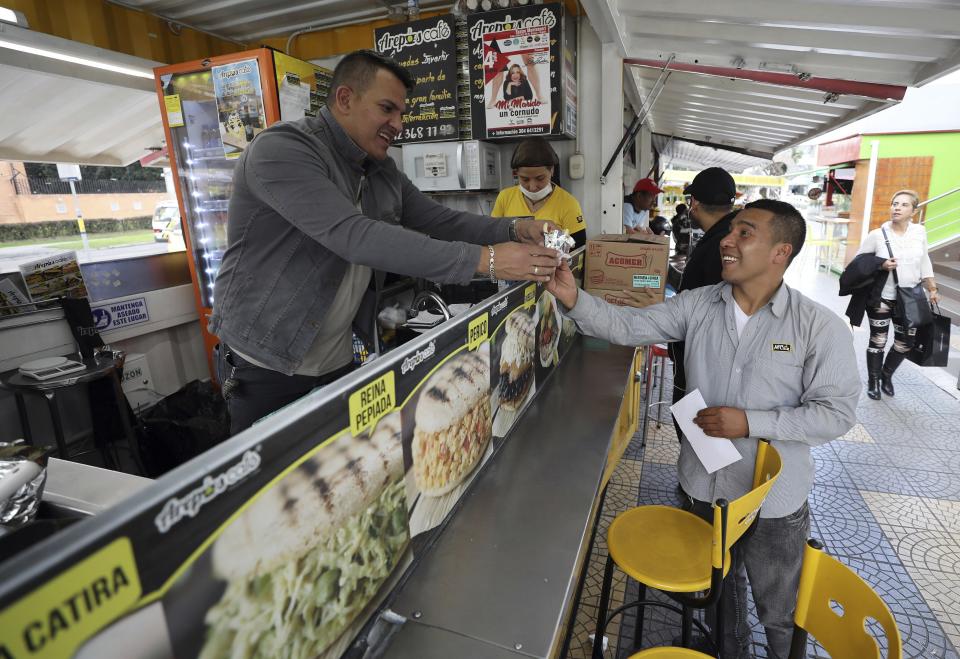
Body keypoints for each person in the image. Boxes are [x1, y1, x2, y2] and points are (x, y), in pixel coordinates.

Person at [547, 199, 860, 659]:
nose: (727, 242)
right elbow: (628, 325)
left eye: (745, 233)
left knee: (779, 608)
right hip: (704, 487)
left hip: (773, 501)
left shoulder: (820, 327)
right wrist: (574, 298)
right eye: (731, 231)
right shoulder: (697, 305)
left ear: (781, 252)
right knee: (718, 598)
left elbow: (836, 414)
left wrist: (752, 422)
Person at [210, 50, 560, 434]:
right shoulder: (283, 150)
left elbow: (438, 220)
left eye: (402, 113)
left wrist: (514, 229)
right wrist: (488, 260)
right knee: (267, 487)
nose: (399, 124)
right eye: (387, 109)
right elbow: (352, 235)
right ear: (345, 99)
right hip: (266, 361)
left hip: (336, 358)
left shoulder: (380, 170)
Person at [668, 167, 738, 444]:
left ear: (693, 203)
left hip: (701, 363)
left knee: (698, 441)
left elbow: (702, 300)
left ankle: (693, 487)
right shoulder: (726, 236)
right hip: (712, 361)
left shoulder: (719, 244)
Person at [854, 189, 939, 399]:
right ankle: (873, 381)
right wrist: (881, 264)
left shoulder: (919, 233)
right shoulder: (877, 235)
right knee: (878, 340)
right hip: (881, 298)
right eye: (894, 204)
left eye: (903, 205)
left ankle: (886, 375)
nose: (897, 208)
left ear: (913, 211)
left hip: (909, 298)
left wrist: (932, 287)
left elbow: (924, 260)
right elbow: (858, 263)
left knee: (905, 343)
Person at [492, 138, 586, 247]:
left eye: (540, 178)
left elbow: (579, 249)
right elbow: (493, 236)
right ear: (516, 173)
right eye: (525, 179)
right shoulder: (505, 198)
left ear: (551, 170)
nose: (532, 187)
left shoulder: (568, 203)